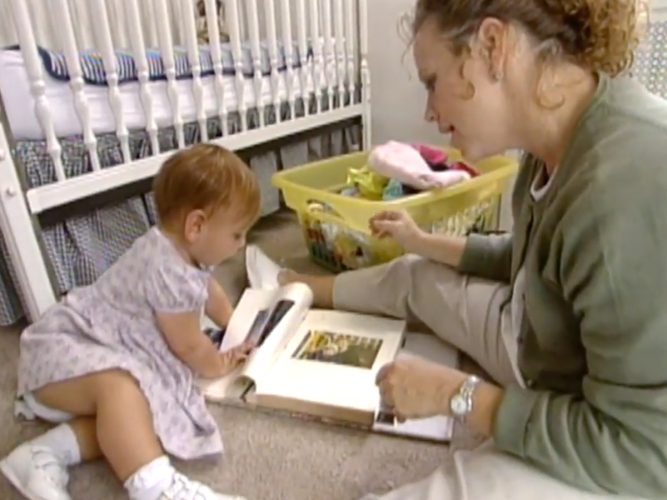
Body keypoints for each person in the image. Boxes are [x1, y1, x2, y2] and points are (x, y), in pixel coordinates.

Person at [281, 0, 667, 498]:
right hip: (539, 350)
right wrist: (422, 243)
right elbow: (536, 264)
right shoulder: (555, 140)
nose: (429, 111)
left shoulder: (623, 186)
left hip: (628, 455)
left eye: (432, 81)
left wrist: (460, 396)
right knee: (415, 271)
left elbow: (642, 453)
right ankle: (306, 290)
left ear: (492, 46)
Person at [0, 144, 258, 500]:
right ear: (196, 225)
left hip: (98, 349)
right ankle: (157, 488)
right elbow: (188, 345)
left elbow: (208, 289)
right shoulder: (168, 269)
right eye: (237, 234)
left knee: (133, 418)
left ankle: (41, 455)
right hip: (62, 356)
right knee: (122, 390)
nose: (242, 244)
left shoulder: (185, 251)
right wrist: (221, 361)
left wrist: (234, 321)